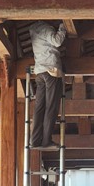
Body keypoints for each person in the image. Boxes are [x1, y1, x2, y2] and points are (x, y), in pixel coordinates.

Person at [28, 20, 67, 151]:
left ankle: (34, 140)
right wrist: (63, 27)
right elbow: (57, 41)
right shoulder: (46, 28)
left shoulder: (33, 29)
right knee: (51, 107)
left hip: (39, 72)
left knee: (39, 108)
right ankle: (46, 141)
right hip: (51, 71)